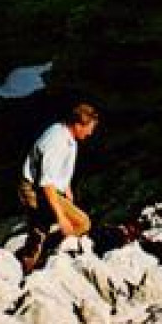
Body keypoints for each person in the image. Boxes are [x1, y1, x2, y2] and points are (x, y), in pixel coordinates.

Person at [17, 103, 99, 273]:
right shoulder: (57, 142)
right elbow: (46, 183)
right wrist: (61, 217)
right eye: (88, 128)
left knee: (41, 227)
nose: (90, 133)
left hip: (46, 186)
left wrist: (66, 187)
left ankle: (34, 258)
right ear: (78, 125)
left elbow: (57, 169)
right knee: (81, 223)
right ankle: (40, 258)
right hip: (35, 189)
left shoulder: (65, 134)